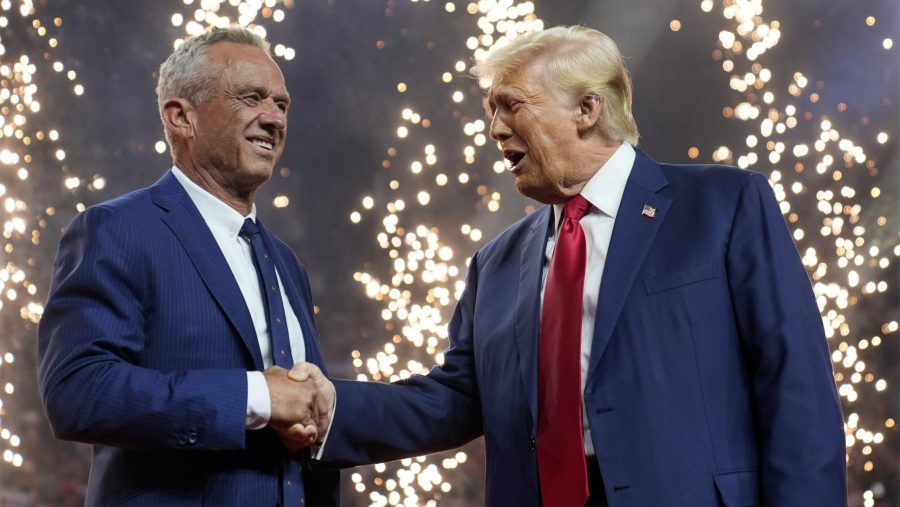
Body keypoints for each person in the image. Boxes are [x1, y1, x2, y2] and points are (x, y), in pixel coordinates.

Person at [287, 25, 847, 506]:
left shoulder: (725, 205)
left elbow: (794, 382)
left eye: (512, 105)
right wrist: (329, 405)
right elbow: (456, 400)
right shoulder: (496, 262)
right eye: (491, 112)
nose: (495, 129)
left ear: (587, 109)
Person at [37, 27, 337, 506]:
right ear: (182, 117)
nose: (274, 118)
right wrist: (257, 396)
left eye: (282, 105)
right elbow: (79, 391)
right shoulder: (117, 229)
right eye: (251, 97)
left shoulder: (285, 262)